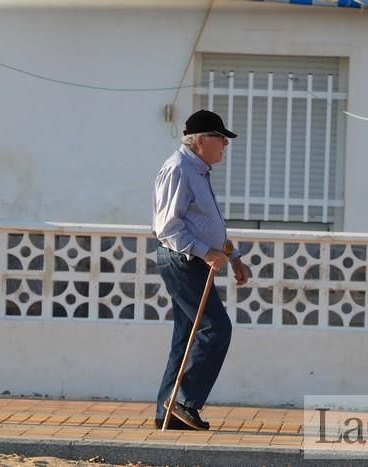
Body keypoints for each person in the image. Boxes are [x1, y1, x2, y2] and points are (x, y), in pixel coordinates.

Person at [152, 109, 249, 430]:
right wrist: (205, 252)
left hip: (192, 260)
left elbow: (208, 226)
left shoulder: (198, 171)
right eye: (220, 138)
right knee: (216, 328)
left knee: (187, 336)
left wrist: (233, 257)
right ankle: (184, 402)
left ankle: (168, 413)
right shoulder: (179, 169)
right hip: (183, 260)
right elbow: (167, 227)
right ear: (201, 140)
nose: (225, 144)